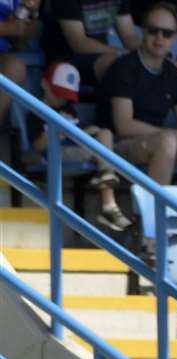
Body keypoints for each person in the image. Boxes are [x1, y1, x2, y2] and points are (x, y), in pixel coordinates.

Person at [98, 3, 177, 187]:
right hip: (118, 145)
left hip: (162, 143)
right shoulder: (124, 67)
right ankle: (155, 213)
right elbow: (124, 125)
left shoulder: (174, 73)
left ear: (175, 37)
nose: (159, 38)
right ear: (143, 31)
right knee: (168, 141)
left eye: (167, 33)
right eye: (153, 31)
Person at [32, 61, 132, 233]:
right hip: (54, 153)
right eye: (57, 92)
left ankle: (108, 193)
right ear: (44, 84)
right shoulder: (35, 109)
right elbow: (36, 147)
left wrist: (87, 131)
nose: (61, 98)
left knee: (105, 133)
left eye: (66, 95)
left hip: (78, 149)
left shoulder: (68, 109)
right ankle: (108, 197)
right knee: (103, 152)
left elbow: (78, 130)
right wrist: (56, 133)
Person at [0, 0, 30, 131]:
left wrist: (27, 10)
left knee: (15, 66)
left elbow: (20, 41)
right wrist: (9, 28)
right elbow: (11, 29)